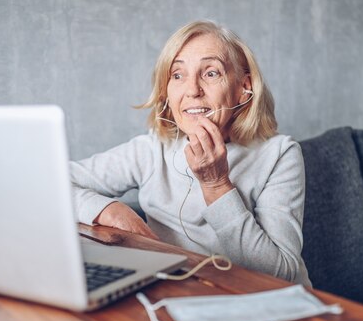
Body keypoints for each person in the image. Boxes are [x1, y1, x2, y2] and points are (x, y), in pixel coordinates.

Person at [69, 20, 311, 286]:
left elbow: (280, 273)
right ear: (166, 92)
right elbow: (49, 181)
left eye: (211, 73)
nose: (192, 90)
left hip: (267, 306)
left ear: (244, 89)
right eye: (177, 75)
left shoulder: (280, 154)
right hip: (184, 298)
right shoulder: (152, 149)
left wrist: (216, 185)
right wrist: (109, 210)